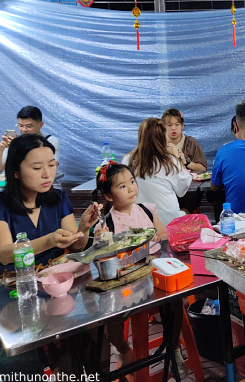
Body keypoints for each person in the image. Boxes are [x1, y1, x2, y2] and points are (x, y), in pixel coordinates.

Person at [90, 162, 187, 379]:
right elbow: (102, 261)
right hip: (125, 282)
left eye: (132, 182)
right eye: (123, 186)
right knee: (109, 311)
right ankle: (123, 348)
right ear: (108, 196)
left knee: (176, 300)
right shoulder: (107, 225)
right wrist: (101, 241)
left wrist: (156, 238)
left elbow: (162, 236)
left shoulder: (145, 210)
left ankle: (173, 348)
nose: (132, 188)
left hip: (152, 274)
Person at [0, 134, 99, 270]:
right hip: (14, 284)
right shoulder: (2, 204)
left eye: (52, 165)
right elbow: (4, 255)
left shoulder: (58, 198)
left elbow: (76, 247)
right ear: (16, 171)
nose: (47, 174)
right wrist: (49, 241)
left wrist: (84, 228)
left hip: (50, 279)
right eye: (37, 168)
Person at [123, 118, 192, 227]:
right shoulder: (169, 161)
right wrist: (177, 157)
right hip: (167, 223)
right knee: (186, 210)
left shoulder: (127, 160)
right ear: (163, 138)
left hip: (137, 222)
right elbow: (182, 190)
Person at [0, 106, 61, 188]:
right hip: (20, 189)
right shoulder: (14, 142)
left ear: (40, 124)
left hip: (47, 187)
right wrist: (1, 149)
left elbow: (50, 167)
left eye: (28, 126)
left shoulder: (50, 141)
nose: (24, 130)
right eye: (20, 126)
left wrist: (19, 146)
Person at [161, 109, 207, 214]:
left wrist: (186, 162)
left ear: (182, 126)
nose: (173, 128)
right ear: (163, 127)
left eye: (177, 124)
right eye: (169, 125)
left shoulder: (191, 143)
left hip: (188, 190)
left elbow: (202, 167)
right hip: (165, 189)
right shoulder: (159, 144)